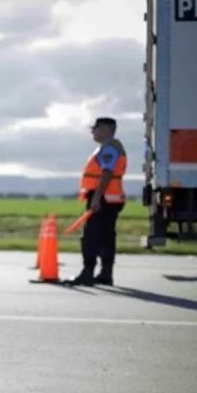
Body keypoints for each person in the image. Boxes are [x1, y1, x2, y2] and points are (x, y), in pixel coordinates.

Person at [67, 117, 126, 286]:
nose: (93, 131)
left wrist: (96, 197)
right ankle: (106, 274)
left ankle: (87, 273)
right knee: (107, 237)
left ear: (106, 129)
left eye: (96, 128)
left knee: (90, 237)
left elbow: (107, 172)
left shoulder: (109, 149)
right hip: (110, 199)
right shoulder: (110, 147)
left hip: (103, 200)